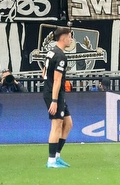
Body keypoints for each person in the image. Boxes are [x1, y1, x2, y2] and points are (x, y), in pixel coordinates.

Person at [43, 26, 74, 168]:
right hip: (54, 95)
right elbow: (56, 80)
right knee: (56, 126)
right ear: (63, 38)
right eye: (69, 36)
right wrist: (54, 100)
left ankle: (57, 155)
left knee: (68, 124)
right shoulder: (60, 56)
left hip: (55, 93)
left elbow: (44, 71)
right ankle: (51, 161)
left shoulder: (51, 52)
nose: (71, 39)